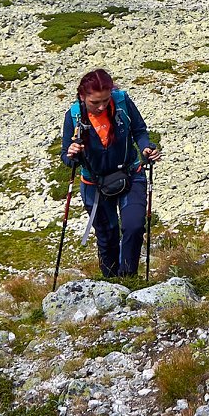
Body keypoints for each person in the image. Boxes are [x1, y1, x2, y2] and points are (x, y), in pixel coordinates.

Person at [60, 68, 161, 278]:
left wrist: (145, 147)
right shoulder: (73, 116)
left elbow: (140, 131)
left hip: (131, 173)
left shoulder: (122, 102)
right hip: (94, 185)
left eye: (105, 100)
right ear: (82, 96)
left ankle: (128, 278)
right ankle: (111, 280)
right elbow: (65, 156)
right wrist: (71, 154)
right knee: (107, 235)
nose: (101, 106)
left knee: (134, 226)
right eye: (95, 102)